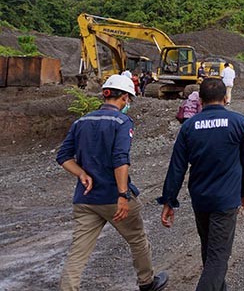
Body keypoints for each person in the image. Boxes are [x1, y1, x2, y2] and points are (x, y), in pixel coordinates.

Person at [55, 74, 168, 291]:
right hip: (113, 198)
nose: (128, 103)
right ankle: (147, 282)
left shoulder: (81, 122)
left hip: (86, 198)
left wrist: (81, 174)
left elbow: (63, 156)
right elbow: (120, 159)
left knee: (78, 251)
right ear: (124, 97)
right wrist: (123, 195)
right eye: (129, 99)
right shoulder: (122, 122)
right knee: (137, 239)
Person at [157, 78, 244, 291]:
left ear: (200, 100)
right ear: (226, 98)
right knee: (218, 257)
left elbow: (177, 167)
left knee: (209, 251)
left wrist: (169, 200)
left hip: (200, 199)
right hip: (226, 200)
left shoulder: (189, 126)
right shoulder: (238, 122)